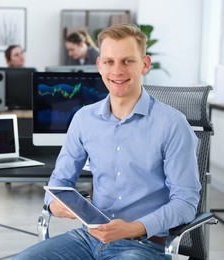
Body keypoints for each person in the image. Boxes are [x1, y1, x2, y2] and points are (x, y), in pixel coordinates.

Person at [14, 23, 200, 259]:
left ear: (144, 64)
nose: (117, 70)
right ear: (100, 65)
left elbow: (185, 202)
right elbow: (59, 181)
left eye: (127, 61)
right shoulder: (83, 119)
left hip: (143, 245)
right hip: (88, 238)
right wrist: (53, 204)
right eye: (110, 61)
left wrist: (134, 228)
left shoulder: (172, 124)